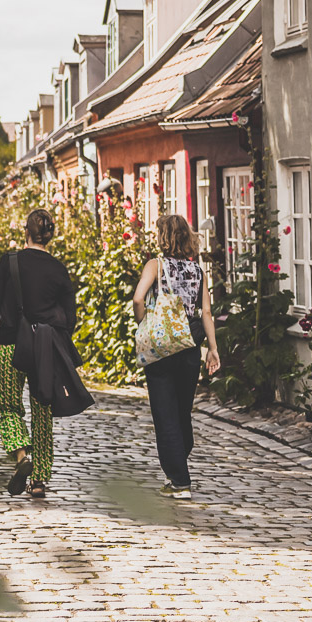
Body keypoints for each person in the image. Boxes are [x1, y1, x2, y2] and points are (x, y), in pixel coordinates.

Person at [0, 208, 90, 500]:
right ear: (50, 237)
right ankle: (39, 480)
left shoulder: (10, 261)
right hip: (45, 346)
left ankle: (21, 456)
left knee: (9, 405)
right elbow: (70, 318)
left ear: (25, 233)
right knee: (42, 410)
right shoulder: (58, 269)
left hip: (9, 344)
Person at [132, 214, 221, 501]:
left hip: (161, 347)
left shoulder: (155, 265)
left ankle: (180, 480)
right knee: (182, 411)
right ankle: (177, 466)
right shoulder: (198, 271)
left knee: (164, 413)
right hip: (189, 345)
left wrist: (144, 324)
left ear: (164, 237)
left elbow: (137, 298)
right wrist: (213, 349)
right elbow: (206, 312)